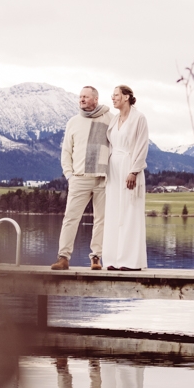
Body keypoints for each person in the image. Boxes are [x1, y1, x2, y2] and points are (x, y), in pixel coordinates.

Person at [52, 85, 113, 271]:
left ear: (95, 99)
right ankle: (63, 258)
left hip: (103, 177)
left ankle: (96, 258)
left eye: (85, 97)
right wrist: (69, 175)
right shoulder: (73, 122)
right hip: (79, 177)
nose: (81, 100)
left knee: (101, 219)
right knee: (71, 218)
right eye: (80, 97)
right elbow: (66, 151)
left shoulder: (110, 119)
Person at [101, 85, 149, 270]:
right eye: (112, 96)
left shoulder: (139, 118)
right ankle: (113, 259)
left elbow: (142, 146)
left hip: (129, 166)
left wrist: (134, 171)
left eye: (116, 95)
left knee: (130, 210)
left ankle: (130, 261)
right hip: (113, 168)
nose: (113, 98)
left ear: (127, 97)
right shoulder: (114, 120)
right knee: (114, 211)